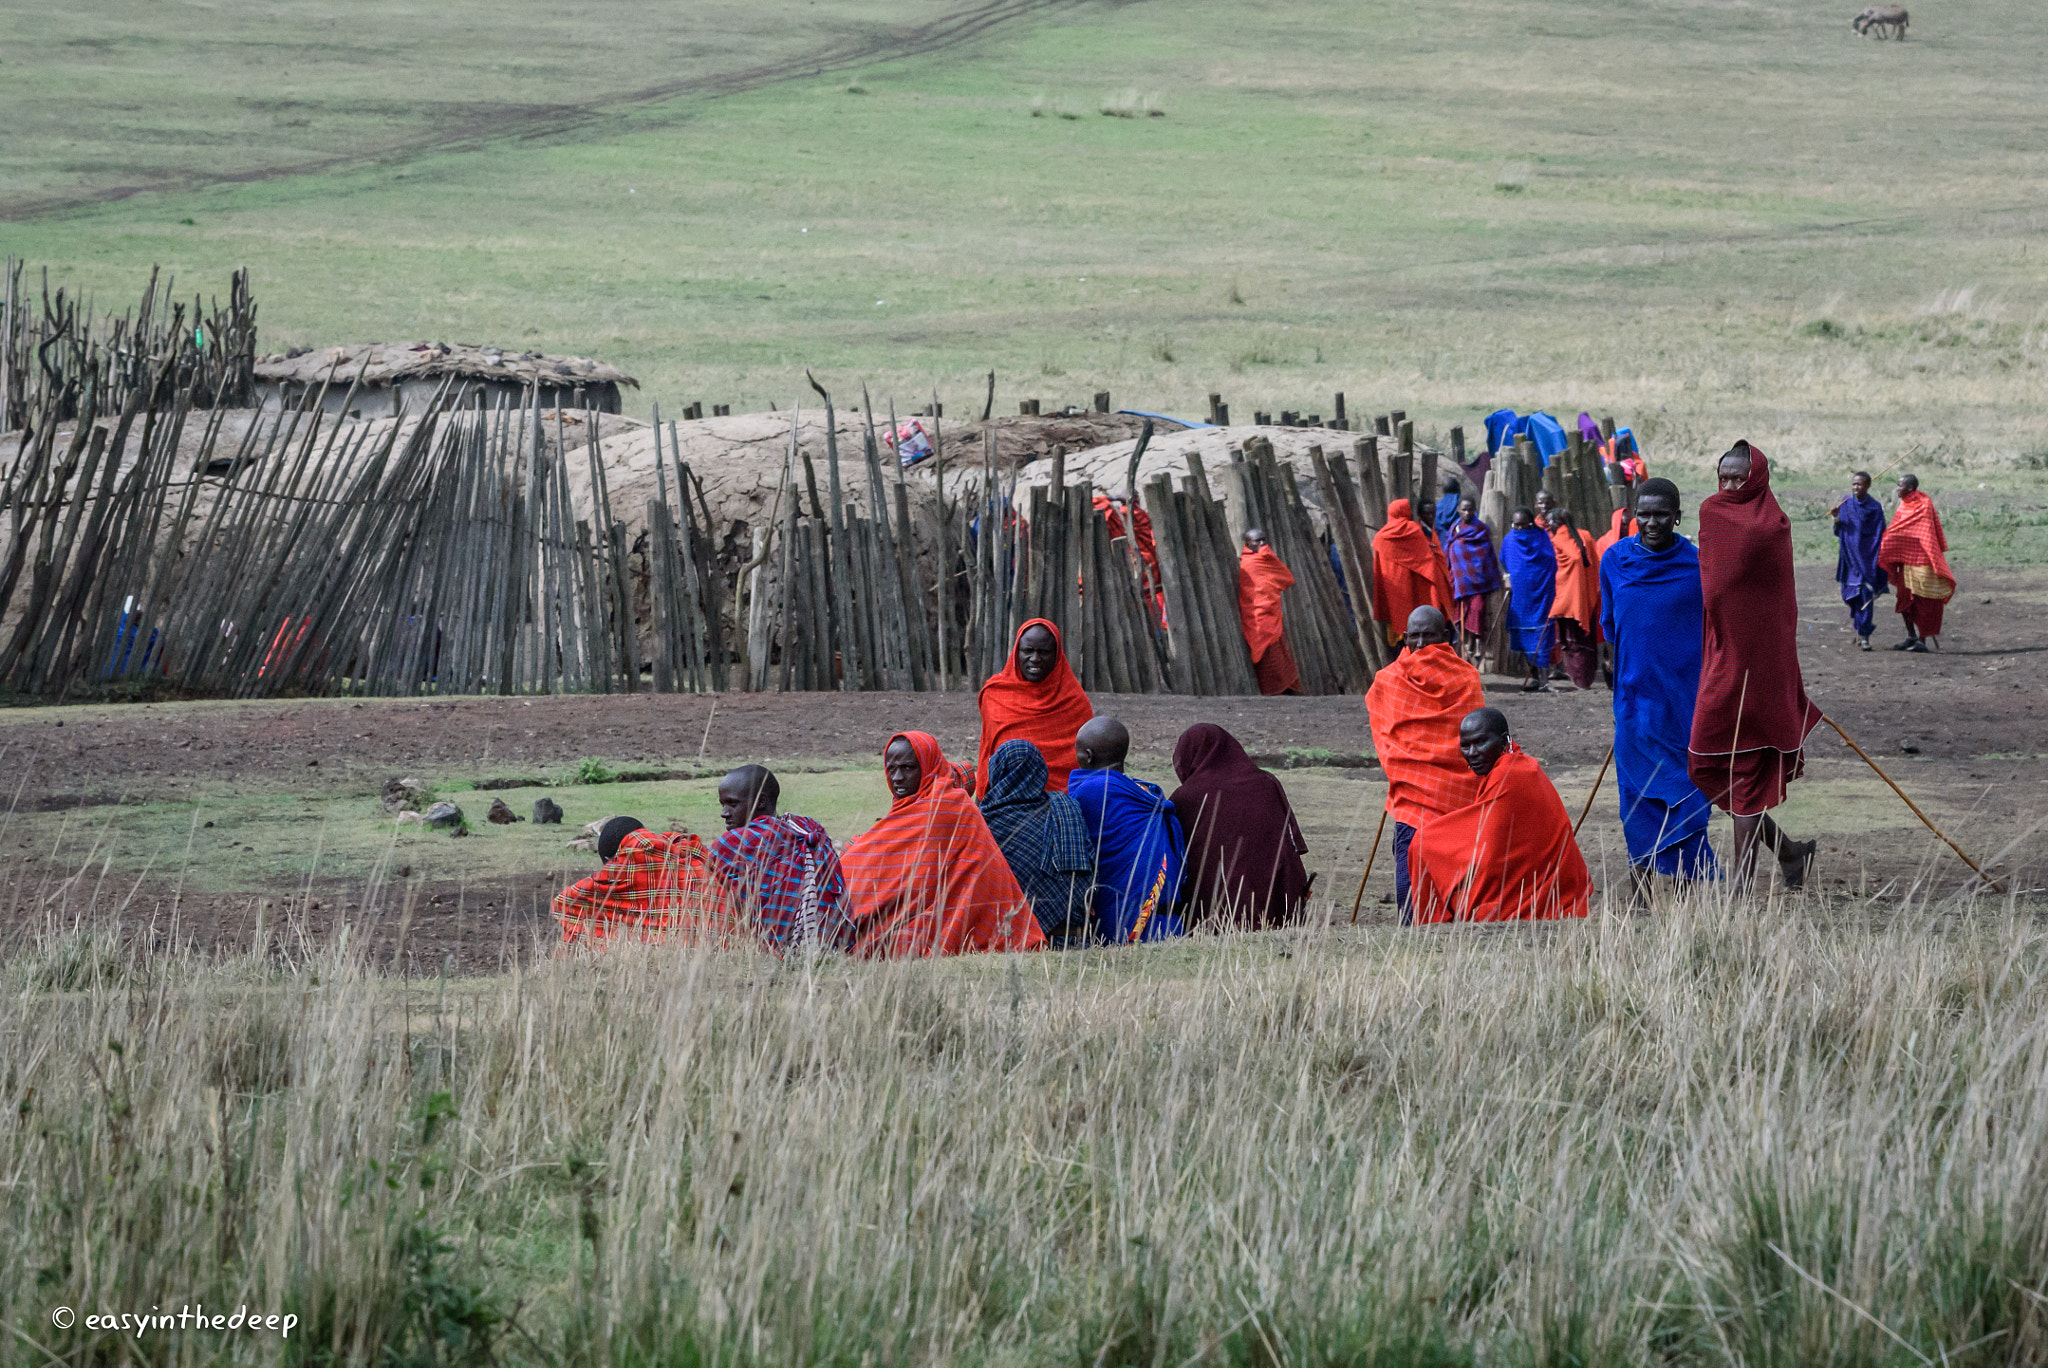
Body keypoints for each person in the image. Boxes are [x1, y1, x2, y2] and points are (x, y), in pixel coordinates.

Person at [1688, 441, 1821, 891]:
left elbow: (1768, 601)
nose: (1729, 485)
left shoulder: (1771, 527)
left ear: (1757, 478)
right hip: (1722, 659)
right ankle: (1789, 852)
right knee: (1706, 763)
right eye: (1723, 476)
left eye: (1738, 477)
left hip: (1763, 666)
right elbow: (1713, 589)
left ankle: (1741, 890)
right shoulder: (1712, 513)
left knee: (1745, 771)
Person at [1599, 478, 1719, 907]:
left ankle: (1686, 903)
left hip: (1685, 706)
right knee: (1635, 800)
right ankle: (1640, 902)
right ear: (1632, 514)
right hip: (1634, 705)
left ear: (1678, 517)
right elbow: (1611, 629)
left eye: (1661, 514)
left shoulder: (1697, 568)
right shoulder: (1614, 561)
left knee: (1686, 799)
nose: (1651, 522)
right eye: (1644, 513)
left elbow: (1715, 634)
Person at [842, 732, 1046, 957]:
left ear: (928, 767)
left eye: (908, 767)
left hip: (943, 918)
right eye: (891, 769)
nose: (897, 777)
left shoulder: (951, 808)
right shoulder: (903, 809)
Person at [1409, 708, 1590, 923]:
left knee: (1422, 844)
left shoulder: (1511, 774)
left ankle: (1434, 925)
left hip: (1545, 901)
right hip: (1553, 895)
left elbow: (1490, 846)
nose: (1472, 752)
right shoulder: (1521, 765)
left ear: (1505, 740)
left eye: (1481, 742)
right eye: (1465, 746)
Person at [1364, 606, 1486, 920]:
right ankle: (1411, 921)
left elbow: (1475, 737)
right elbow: (1386, 735)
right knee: (1409, 859)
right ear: (1404, 637)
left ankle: (1452, 918)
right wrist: (1398, 765)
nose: (1420, 644)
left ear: (1445, 637)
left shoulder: (1466, 678)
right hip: (1411, 790)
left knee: (1454, 863)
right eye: (1413, 636)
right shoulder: (1388, 680)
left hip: (1455, 793)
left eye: (1428, 636)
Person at [1168, 723, 1310, 928]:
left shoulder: (1185, 798)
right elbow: (1290, 856)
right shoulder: (1267, 783)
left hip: (1206, 921)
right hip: (1273, 917)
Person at [709, 765, 854, 955]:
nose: (724, 813)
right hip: (833, 945)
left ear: (760, 802)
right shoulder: (807, 830)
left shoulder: (733, 844)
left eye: (732, 804)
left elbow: (704, 887)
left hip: (770, 952)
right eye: (723, 805)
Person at [1067, 716, 1186, 942]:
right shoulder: (1146, 792)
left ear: (1088, 756)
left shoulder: (1090, 792)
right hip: (1168, 925)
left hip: (1122, 926)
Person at [553, 816, 738, 949]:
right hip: (722, 958)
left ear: (613, 861)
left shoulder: (615, 879)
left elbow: (564, 904)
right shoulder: (696, 862)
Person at [979, 738, 1095, 946]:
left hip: (1011, 941)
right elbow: (1091, 862)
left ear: (997, 771)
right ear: (1039, 770)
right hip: (1074, 937)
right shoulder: (1066, 807)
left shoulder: (984, 821)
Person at [975, 618, 1093, 797]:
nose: (1035, 659)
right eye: (1028, 651)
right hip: (1007, 801)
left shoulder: (1074, 700)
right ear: (1016, 652)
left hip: (1066, 804)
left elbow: (1086, 765)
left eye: (1044, 652)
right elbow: (988, 751)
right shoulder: (994, 694)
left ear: (1057, 655)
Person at [1877, 473, 1954, 652]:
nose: (1897, 489)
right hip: (1906, 561)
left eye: (1900, 486)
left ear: (1910, 488)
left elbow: (1924, 532)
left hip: (1923, 561)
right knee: (1904, 600)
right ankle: (1911, 636)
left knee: (1923, 601)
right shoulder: (1903, 505)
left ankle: (1922, 639)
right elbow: (1897, 530)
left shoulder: (1924, 504)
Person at [1370, 498, 1456, 649]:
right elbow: (1427, 563)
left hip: (1393, 592)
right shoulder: (1414, 530)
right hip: (1415, 591)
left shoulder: (1380, 538)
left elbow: (1378, 571)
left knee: (1400, 630)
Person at [1238, 528, 1302, 695]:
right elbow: (1251, 591)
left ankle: (1286, 689)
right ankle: (1271, 690)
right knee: (1266, 654)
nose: (1262, 544)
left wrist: (1268, 556)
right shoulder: (1248, 563)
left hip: (1271, 612)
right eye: (1256, 541)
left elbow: (1286, 578)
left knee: (1279, 655)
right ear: (1247, 544)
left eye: (1264, 540)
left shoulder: (1265, 560)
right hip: (1257, 615)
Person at [1501, 507, 1557, 692]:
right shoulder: (1509, 539)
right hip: (1520, 596)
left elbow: (1551, 562)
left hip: (1541, 593)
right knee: (1523, 636)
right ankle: (1533, 677)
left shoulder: (1540, 537)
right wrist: (1506, 578)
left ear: (1530, 523)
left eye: (1523, 525)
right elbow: (1503, 561)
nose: (1519, 528)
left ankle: (1544, 680)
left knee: (1541, 634)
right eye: (1516, 525)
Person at [1547, 507, 1601, 690]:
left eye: (1551, 522)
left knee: (1572, 641)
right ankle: (1585, 679)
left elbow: (1574, 559)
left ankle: (1578, 679)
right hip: (1587, 598)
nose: (1549, 525)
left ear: (1559, 523)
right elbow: (1595, 562)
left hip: (1567, 600)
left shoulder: (1559, 539)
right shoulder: (1585, 536)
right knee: (1585, 639)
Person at [1443, 497, 1502, 660]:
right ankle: (1464, 646)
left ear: (1475, 509)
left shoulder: (1481, 529)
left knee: (1478, 609)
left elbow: (1485, 555)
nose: (1467, 512)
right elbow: (1449, 549)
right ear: (1458, 510)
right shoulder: (1454, 527)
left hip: (1477, 581)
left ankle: (1476, 642)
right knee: (1460, 613)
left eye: (1470, 509)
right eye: (1464, 509)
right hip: (1459, 580)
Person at [1433, 475, 1463, 541]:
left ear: (1443, 490)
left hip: (1441, 545)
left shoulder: (1437, 507)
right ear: (1459, 490)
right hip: (1461, 546)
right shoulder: (1465, 506)